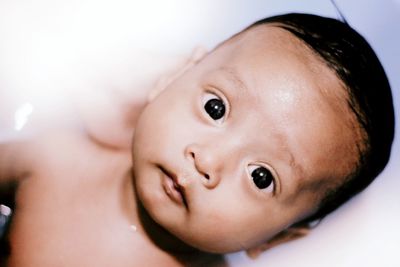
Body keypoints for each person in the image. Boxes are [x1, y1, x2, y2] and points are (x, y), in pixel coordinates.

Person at [0, 13, 394, 266]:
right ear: (173, 77)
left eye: (261, 176)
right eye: (215, 109)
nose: (207, 161)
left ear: (277, 239)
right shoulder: (59, 159)